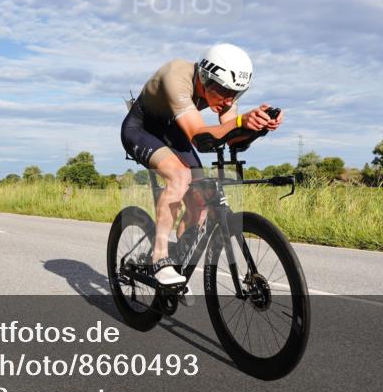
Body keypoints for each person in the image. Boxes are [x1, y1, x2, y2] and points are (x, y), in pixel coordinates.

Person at [120, 43, 283, 286]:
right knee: (179, 177)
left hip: (173, 131)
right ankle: (160, 257)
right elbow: (199, 137)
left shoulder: (223, 93)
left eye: (236, 94)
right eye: (224, 92)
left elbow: (230, 135)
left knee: (200, 198)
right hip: (142, 129)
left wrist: (257, 127)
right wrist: (241, 121)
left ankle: (178, 263)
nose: (229, 100)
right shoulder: (176, 76)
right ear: (206, 78)